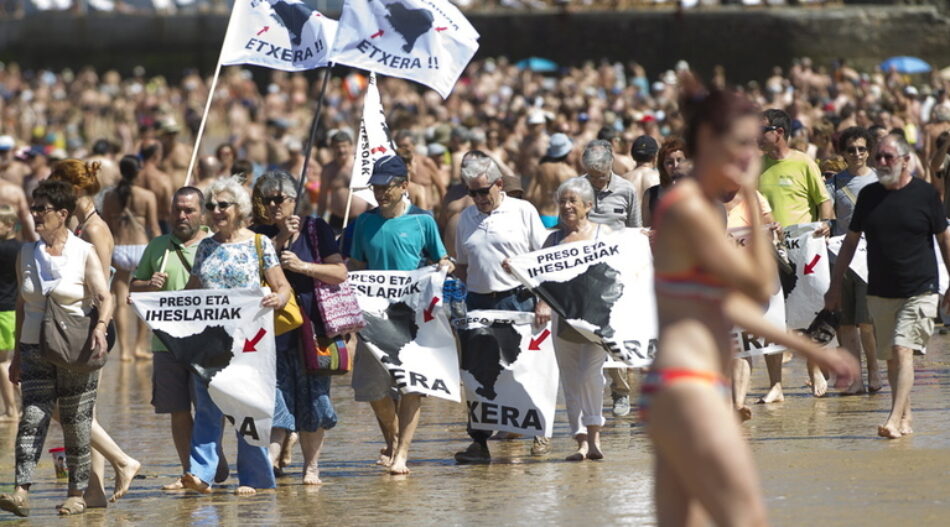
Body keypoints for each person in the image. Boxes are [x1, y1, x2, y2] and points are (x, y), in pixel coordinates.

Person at [646, 85, 856, 526]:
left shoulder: (691, 205)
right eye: (742, 142)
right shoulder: (689, 210)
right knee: (745, 518)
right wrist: (756, 209)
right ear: (708, 142)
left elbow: (721, 305)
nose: (752, 153)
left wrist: (813, 350)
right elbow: (759, 284)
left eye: (754, 142)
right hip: (690, 386)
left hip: (675, 387)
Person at [0, 180, 114, 517]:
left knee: (76, 421)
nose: (34, 215)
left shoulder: (83, 251)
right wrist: (19, 353)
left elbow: (104, 297)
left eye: (42, 209)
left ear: (62, 214)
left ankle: (77, 493)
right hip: (35, 347)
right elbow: (22, 303)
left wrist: (102, 328)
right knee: (32, 417)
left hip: (77, 348)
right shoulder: (25, 253)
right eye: (34, 208)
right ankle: (20, 490)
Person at [826, 134, 950, 439]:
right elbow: (850, 242)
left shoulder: (925, 194)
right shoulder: (869, 196)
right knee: (892, 358)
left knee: (901, 348)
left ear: (906, 160)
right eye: (878, 156)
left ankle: (893, 418)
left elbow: (944, 239)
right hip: (880, 288)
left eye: (888, 157)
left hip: (921, 287)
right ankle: (905, 416)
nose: (881, 162)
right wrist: (835, 285)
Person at [181, 177, 292, 495]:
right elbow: (192, 292)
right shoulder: (205, 246)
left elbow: (283, 287)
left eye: (222, 205)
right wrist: (157, 305)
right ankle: (201, 474)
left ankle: (255, 478)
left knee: (247, 408)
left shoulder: (259, 244)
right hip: (210, 343)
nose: (215, 211)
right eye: (211, 206)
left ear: (239, 209)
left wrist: (277, 299)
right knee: (206, 409)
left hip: (250, 344)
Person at [348, 155, 453, 475]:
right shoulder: (364, 223)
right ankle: (393, 441)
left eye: (386, 187)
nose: (380, 193)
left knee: (412, 386)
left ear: (404, 186)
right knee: (373, 390)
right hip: (374, 317)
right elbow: (356, 267)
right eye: (376, 187)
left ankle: (402, 453)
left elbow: (442, 256)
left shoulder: (423, 220)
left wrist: (445, 266)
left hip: (412, 319)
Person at [48, 159, 141, 506]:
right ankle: (96, 491)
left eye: (58, 188)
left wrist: (97, 327)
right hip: (75, 325)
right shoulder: (75, 224)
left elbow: (102, 287)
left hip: (92, 326)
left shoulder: (97, 229)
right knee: (83, 411)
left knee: (66, 409)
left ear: (75, 190)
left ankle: (123, 461)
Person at [453, 152, 549, 464]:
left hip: (518, 299)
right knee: (479, 376)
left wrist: (544, 300)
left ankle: (540, 433)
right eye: (472, 192)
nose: (478, 198)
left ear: (499, 184)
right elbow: (463, 268)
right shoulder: (465, 219)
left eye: (483, 191)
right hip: (479, 303)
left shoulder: (523, 211)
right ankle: (479, 442)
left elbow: (542, 260)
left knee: (526, 370)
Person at [252, 170, 345, 485]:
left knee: (315, 398)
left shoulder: (316, 228)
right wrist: (276, 242)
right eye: (268, 199)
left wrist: (303, 266)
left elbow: (339, 272)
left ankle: (312, 467)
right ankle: (269, 466)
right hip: (272, 331)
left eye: (280, 199)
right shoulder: (258, 233)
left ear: (294, 200)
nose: (274, 205)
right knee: (275, 398)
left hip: (313, 328)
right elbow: (249, 272)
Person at [129, 186, 219, 490]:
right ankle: (190, 472)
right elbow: (133, 286)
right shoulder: (157, 246)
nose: (181, 216)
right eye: (177, 210)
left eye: (189, 210)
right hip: (165, 343)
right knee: (178, 410)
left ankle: (209, 461)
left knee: (211, 408)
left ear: (202, 213)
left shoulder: (215, 242)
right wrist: (148, 285)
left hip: (207, 343)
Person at [757, 108, 834, 401]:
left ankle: (814, 369)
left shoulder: (804, 163)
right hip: (768, 248)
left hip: (804, 249)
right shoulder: (755, 166)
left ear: (778, 132)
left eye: (761, 130)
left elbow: (823, 202)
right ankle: (775, 384)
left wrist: (826, 225)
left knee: (809, 309)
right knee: (771, 315)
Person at [543, 177, 615, 461]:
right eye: (562, 201)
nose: (567, 206)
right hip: (563, 320)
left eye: (573, 201)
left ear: (588, 205)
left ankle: (595, 436)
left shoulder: (604, 234)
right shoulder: (552, 239)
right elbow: (539, 278)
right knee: (571, 380)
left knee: (590, 375)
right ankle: (581, 440)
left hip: (598, 319)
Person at [574, 139, 641, 417]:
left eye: (601, 175)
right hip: (583, 276)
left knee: (617, 336)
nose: (597, 180)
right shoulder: (575, 188)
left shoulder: (626, 190)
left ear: (611, 164)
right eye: (592, 174)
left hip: (618, 276)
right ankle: (588, 398)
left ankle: (620, 392)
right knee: (586, 337)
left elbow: (636, 230)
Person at [828, 127, 882, 395]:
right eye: (851, 149)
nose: (857, 154)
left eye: (861, 148)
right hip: (840, 257)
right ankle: (855, 377)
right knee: (846, 323)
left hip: (870, 258)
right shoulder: (834, 183)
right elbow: (827, 218)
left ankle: (873, 369)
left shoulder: (879, 180)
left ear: (869, 151)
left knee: (867, 322)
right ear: (843, 153)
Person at [102, 155, 161, 361]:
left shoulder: (109, 197)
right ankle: (139, 346)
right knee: (143, 298)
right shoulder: (146, 196)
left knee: (120, 301)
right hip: (142, 248)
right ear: (138, 172)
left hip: (119, 248)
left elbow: (107, 227)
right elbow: (153, 227)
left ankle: (124, 350)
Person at [527, 133, 577, 229]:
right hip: (562, 217)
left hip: (543, 214)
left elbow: (529, 194)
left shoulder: (541, 168)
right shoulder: (570, 172)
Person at [0, 206, 21, 422]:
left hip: (3, 311)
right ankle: (24, 406)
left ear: (8, 225)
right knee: (16, 359)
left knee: (2, 362)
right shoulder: (23, 249)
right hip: (18, 310)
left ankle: (10, 411)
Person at [319, 131, 365, 231]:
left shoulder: (360, 167)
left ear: (351, 146)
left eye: (344, 146)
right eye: (337, 147)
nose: (341, 150)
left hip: (359, 219)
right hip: (336, 220)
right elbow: (322, 198)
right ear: (332, 148)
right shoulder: (328, 170)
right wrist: (319, 221)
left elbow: (371, 192)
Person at [642, 137, 687, 228]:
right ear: (662, 167)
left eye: (680, 160)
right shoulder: (650, 195)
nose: (676, 166)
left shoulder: (700, 193)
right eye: (669, 162)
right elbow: (646, 229)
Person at [138, 140, 174, 234]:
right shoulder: (163, 178)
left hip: (138, 226)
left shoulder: (133, 176)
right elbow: (168, 208)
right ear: (156, 155)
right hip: (160, 224)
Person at [622, 135, 660, 222]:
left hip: (629, 231)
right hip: (652, 232)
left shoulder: (623, 179)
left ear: (632, 156)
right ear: (655, 156)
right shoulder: (660, 178)